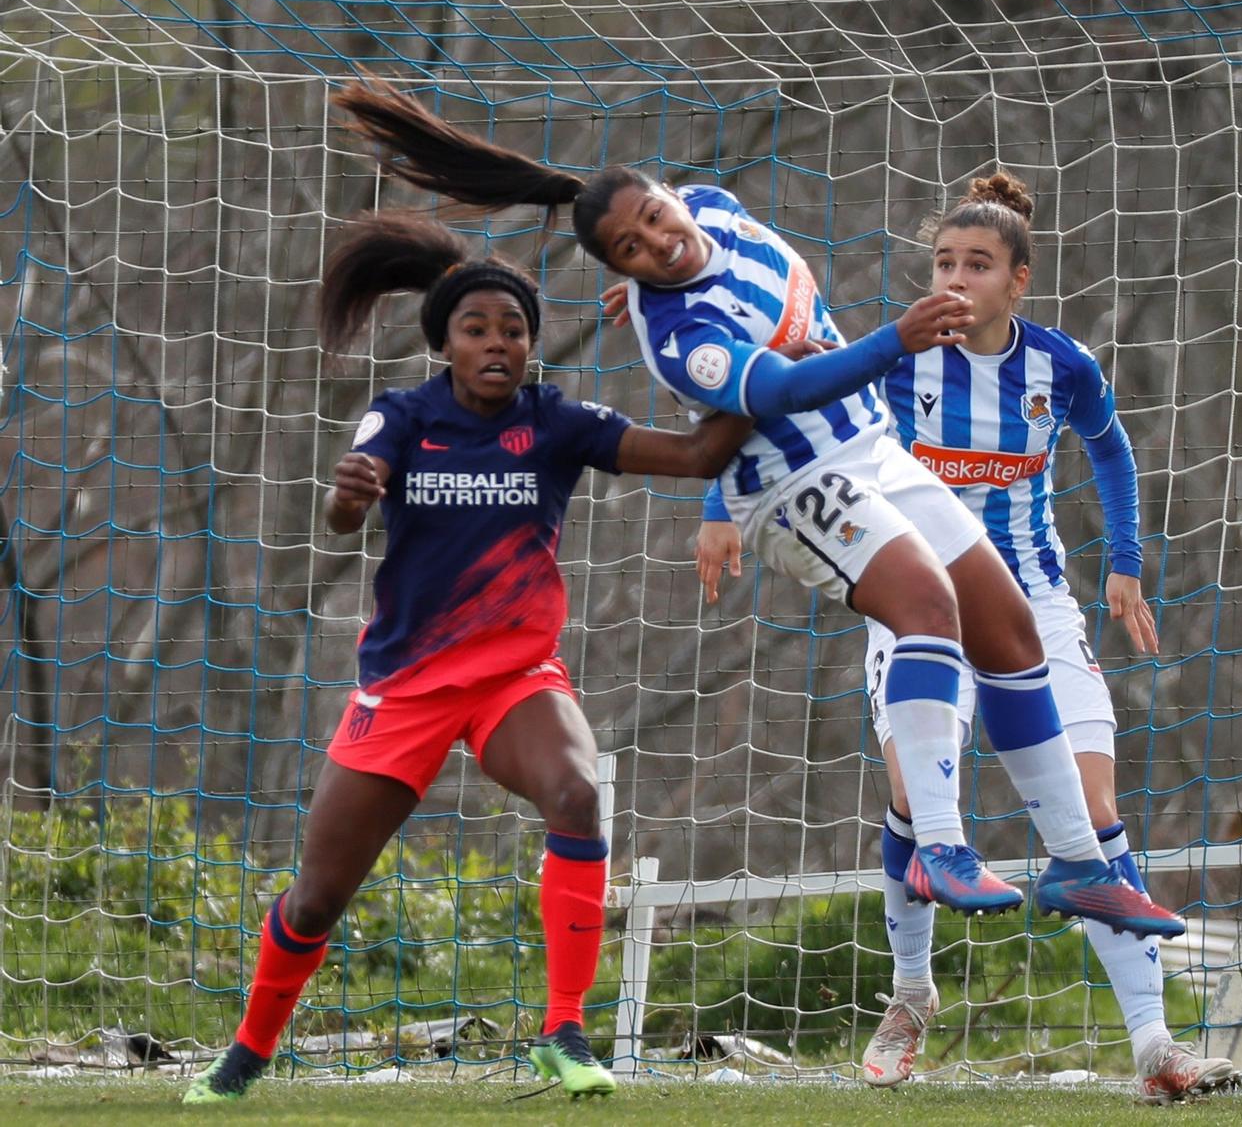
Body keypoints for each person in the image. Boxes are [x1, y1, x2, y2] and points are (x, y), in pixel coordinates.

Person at [334, 82, 1184, 941]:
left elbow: (740, 276)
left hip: (871, 447)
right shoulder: (683, 337)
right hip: (791, 487)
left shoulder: (715, 207)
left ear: (674, 195)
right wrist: (896, 337)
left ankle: (1078, 863)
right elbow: (777, 388)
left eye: (655, 220)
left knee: (1008, 629)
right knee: (927, 608)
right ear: (620, 272)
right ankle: (937, 847)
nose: (659, 245)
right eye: (631, 250)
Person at [184, 212, 813, 1104]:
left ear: (531, 343)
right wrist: (348, 495)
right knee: (317, 900)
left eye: (513, 329)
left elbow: (697, 452)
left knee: (578, 792)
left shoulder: (557, 422)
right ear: (444, 342)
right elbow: (343, 510)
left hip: (515, 679)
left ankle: (565, 1031)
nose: (498, 343)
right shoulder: (401, 417)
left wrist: (761, 371)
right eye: (477, 329)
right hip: (405, 688)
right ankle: (246, 1051)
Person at [693, 173, 1236, 1102]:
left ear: (1018, 280)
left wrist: (1124, 561)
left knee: (1094, 810)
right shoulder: (898, 355)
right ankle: (911, 993)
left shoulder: (1059, 365)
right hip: (913, 598)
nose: (955, 277)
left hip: (1034, 599)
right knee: (912, 792)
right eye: (944, 261)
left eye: (976, 264)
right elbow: (777, 405)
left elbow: (1110, 445)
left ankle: (1155, 1047)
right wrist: (718, 505)